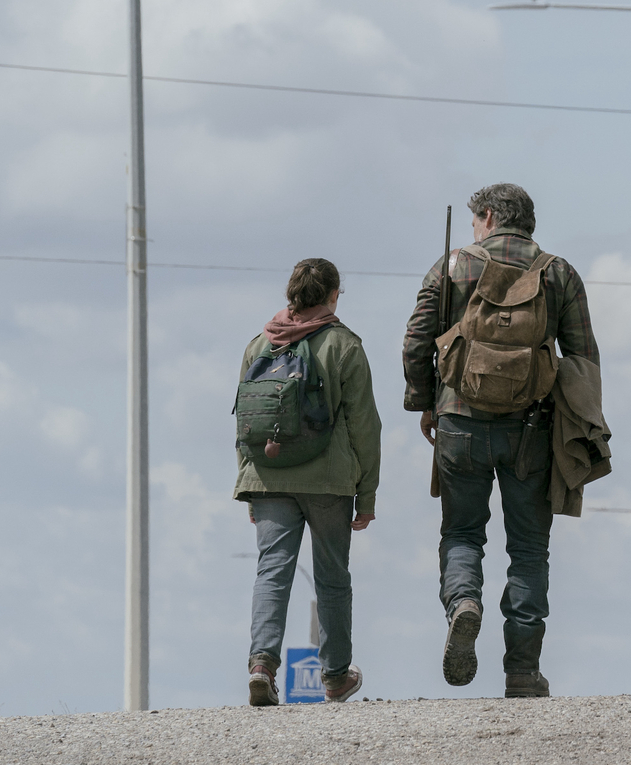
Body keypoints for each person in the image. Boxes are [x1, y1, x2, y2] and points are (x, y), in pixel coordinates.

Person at [402, 183, 608, 699]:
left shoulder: (451, 266)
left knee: (463, 534)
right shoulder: (558, 273)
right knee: (530, 549)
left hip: (459, 423)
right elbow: (583, 357)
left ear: (489, 217)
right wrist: (581, 429)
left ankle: (464, 603)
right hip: (531, 430)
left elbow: (415, 338)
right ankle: (521, 669)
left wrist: (425, 400)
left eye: (476, 220)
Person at [234, 257, 381, 707]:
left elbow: (245, 420)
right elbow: (365, 426)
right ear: (334, 294)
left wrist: (249, 484)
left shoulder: (260, 345)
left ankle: (262, 665)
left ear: (291, 295)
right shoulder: (344, 346)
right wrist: (367, 494)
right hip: (329, 479)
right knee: (333, 578)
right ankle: (335, 677)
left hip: (268, 476)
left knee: (271, 572)